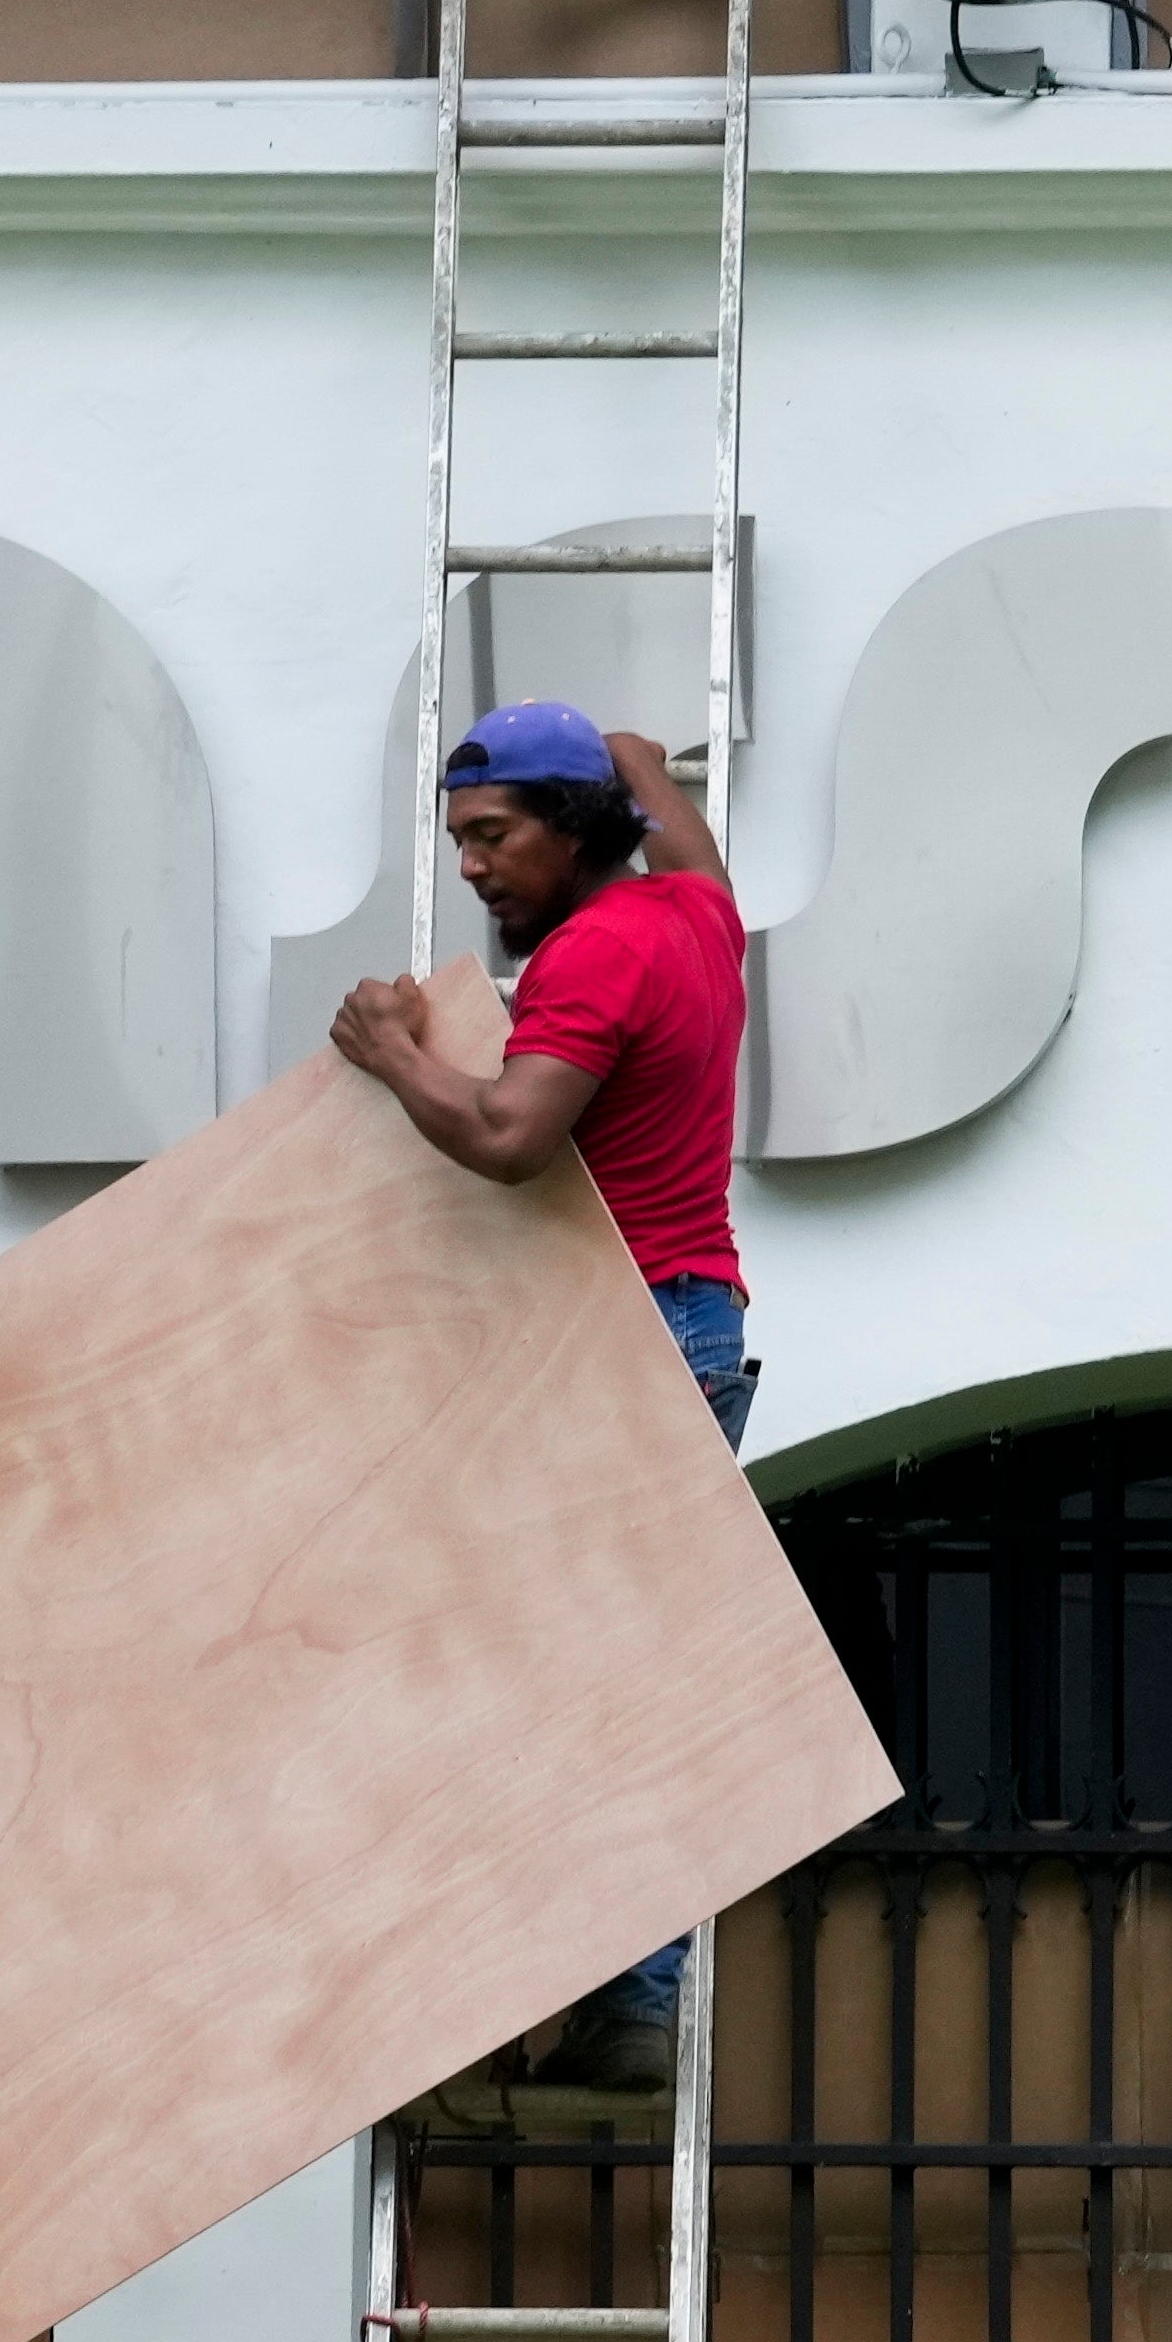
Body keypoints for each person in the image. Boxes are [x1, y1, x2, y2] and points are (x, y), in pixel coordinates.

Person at [328, 706, 746, 2091]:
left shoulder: (595, 955)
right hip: (696, 1324)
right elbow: (674, 821)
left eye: (494, 835)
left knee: (523, 1676)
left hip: (619, 1341)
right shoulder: (696, 912)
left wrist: (391, 1050)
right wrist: (634, 757)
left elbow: (511, 1137)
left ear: (573, 827)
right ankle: (629, 2005)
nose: (470, 865)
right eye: (459, 838)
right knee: (628, 1670)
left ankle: (517, 1995)